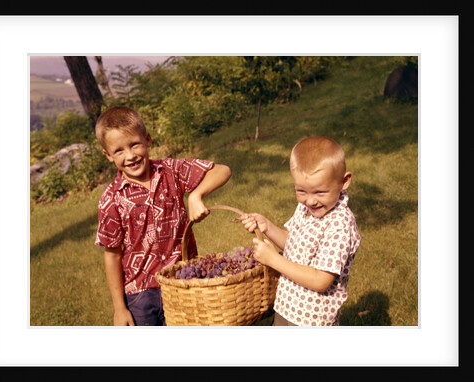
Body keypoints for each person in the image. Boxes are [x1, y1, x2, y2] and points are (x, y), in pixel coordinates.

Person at [94, 106, 232, 326]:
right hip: (140, 295)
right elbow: (112, 255)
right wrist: (120, 308)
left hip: (183, 281)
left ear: (147, 139)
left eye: (134, 144)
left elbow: (222, 170)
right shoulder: (111, 199)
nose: (130, 156)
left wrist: (195, 195)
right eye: (119, 150)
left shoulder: (171, 171)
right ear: (108, 155)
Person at [240, 136, 360, 326]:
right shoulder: (306, 207)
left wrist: (274, 260)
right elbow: (294, 243)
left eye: (320, 192)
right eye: (301, 191)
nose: (310, 200)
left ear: (344, 181)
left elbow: (321, 279)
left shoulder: (340, 224)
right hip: (285, 305)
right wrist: (267, 227)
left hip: (311, 318)